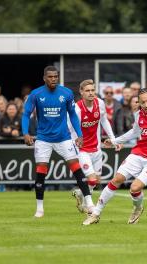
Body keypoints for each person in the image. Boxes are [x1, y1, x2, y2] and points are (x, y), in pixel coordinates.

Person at [83, 88, 147, 225]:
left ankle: (138, 208)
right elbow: (133, 132)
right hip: (138, 153)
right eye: (142, 102)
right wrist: (115, 141)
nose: (146, 105)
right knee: (116, 179)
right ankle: (95, 213)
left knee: (134, 188)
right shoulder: (138, 114)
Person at [21, 66, 93, 218]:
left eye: (55, 76)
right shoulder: (36, 94)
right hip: (43, 139)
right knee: (41, 172)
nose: (53, 79)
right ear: (44, 78)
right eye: (50, 77)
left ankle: (89, 202)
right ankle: (39, 209)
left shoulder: (66, 93)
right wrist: (25, 132)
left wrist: (79, 135)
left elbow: (72, 114)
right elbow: (26, 114)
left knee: (76, 168)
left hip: (64, 138)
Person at [68, 79, 119, 214]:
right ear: (81, 92)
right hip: (82, 150)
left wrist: (113, 138)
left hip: (96, 148)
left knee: (95, 181)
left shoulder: (100, 103)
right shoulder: (77, 109)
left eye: (92, 90)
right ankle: (90, 207)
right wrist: (75, 142)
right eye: (87, 91)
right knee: (91, 178)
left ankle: (80, 194)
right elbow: (69, 128)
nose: (91, 93)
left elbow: (104, 120)